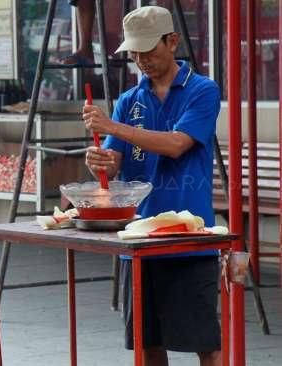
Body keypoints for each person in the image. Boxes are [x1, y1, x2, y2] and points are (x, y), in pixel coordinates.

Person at [82, 6, 221, 366]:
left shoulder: (202, 90)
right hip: (140, 234)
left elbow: (177, 144)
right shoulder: (130, 101)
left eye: (149, 50)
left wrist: (114, 128)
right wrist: (102, 161)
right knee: (147, 340)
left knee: (204, 340)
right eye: (135, 52)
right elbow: (115, 163)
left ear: (172, 41)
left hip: (190, 234)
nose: (141, 60)